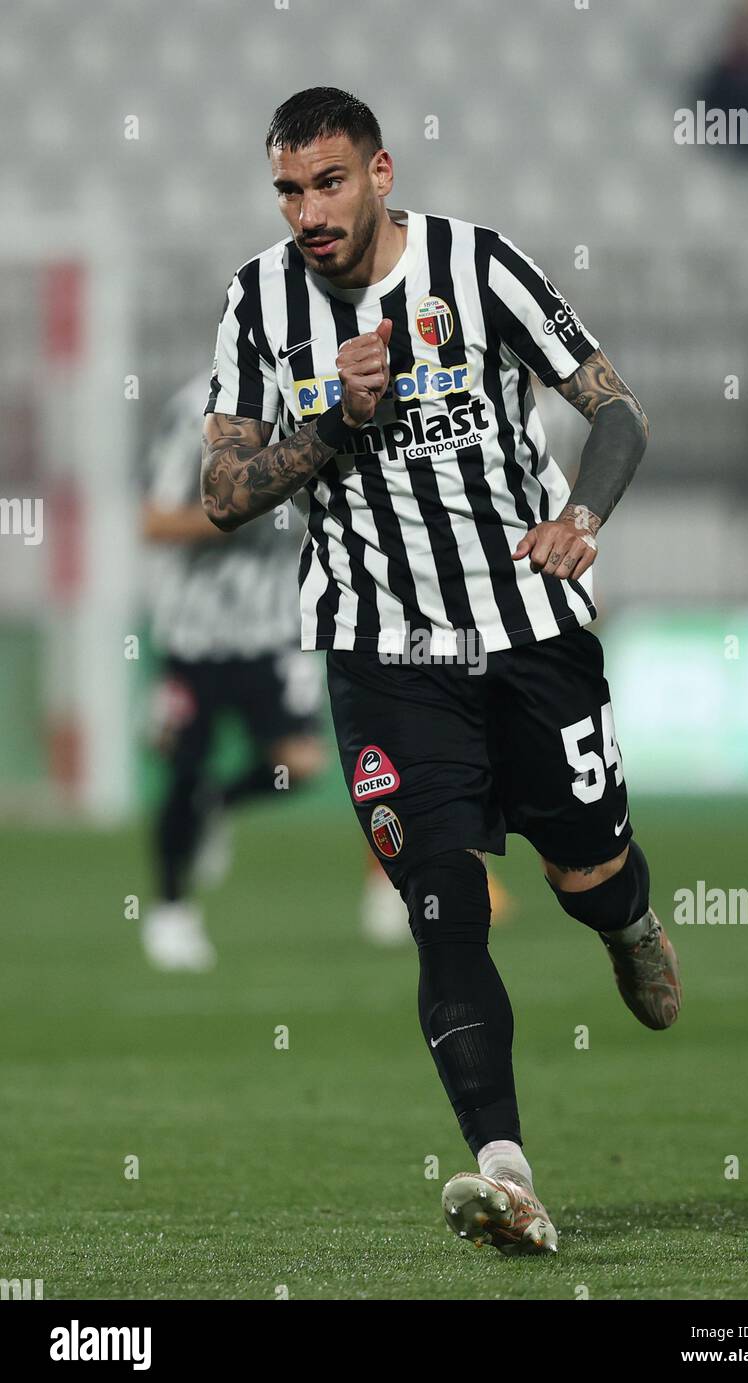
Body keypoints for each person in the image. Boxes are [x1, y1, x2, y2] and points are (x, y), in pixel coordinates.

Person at [201, 87, 682, 1255]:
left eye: (328, 182)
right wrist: (332, 426)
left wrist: (579, 513)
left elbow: (614, 410)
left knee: (587, 874)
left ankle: (625, 925)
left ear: (379, 173)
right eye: (287, 189)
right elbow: (221, 496)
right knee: (440, 907)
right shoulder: (257, 302)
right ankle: (506, 1173)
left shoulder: (479, 267)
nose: (307, 211)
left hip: (526, 624)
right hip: (379, 650)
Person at [142, 372, 326, 970]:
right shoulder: (196, 410)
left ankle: (220, 802)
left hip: (274, 628)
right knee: (183, 769)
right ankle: (171, 911)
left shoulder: (319, 401)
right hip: (195, 632)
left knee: (300, 763)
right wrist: (238, 508)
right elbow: (156, 521)